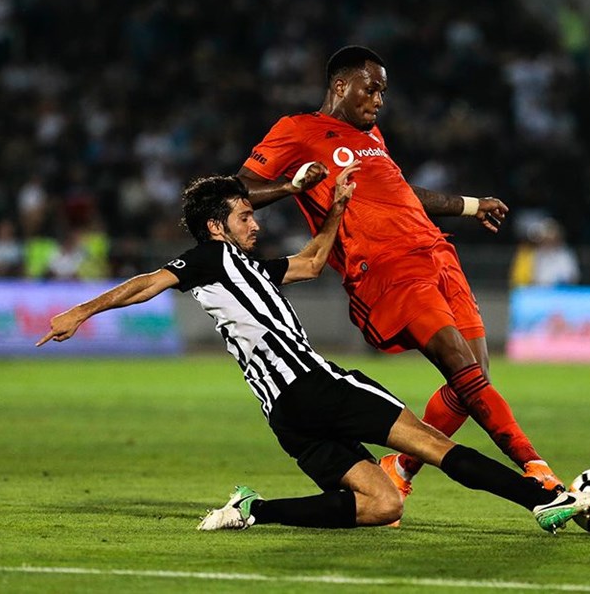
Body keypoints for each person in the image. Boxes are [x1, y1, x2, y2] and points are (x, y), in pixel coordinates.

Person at [36, 169, 590, 533]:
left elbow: (313, 262)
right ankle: (539, 500)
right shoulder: (208, 258)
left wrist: (336, 208)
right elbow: (147, 283)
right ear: (215, 227)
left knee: (383, 505)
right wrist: (80, 312)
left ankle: (252, 510)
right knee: (433, 445)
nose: (254, 225)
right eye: (244, 216)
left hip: (285, 415)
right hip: (315, 385)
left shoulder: (249, 266)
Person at [235, 45, 563, 520]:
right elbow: (237, 188)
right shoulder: (297, 130)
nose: (379, 100)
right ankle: (539, 473)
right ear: (341, 86)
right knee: (461, 368)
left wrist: (470, 205)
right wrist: (290, 187)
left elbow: (401, 193)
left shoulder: (373, 136)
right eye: (372, 89)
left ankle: (401, 469)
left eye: (383, 92)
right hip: (386, 265)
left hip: (436, 252)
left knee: (475, 377)